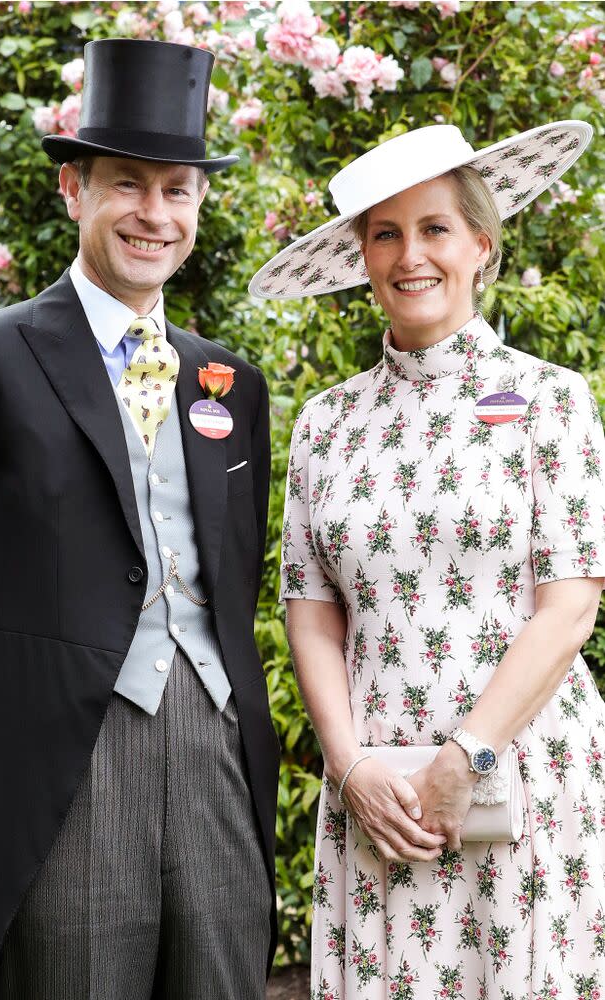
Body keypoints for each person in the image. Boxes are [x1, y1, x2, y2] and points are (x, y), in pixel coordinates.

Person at [0, 39, 279, 1000]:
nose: (154, 214)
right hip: (59, 765)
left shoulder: (232, 384)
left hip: (214, 747)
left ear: (201, 206)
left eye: (178, 190)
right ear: (71, 190)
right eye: (128, 184)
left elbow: (229, 582)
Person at [250, 121, 605, 996]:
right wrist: (351, 765)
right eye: (386, 233)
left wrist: (467, 756)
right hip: (379, 786)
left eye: (435, 227)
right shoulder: (326, 424)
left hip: (522, 772)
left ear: (481, 244)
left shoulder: (552, 402)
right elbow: (310, 609)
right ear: (363, 257)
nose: (411, 255)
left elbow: (570, 607)